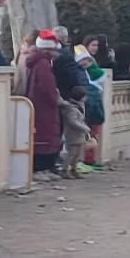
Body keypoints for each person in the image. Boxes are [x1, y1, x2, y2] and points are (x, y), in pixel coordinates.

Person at [50, 25, 91, 178]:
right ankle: (65, 168)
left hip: (58, 96)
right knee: (67, 143)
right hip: (65, 98)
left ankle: (66, 167)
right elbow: (72, 77)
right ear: (65, 39)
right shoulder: (66, 56)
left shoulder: (55, 56)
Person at [23, 32, 63, 175]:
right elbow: (46, 86)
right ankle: (41, 168)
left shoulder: (34, 61)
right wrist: (56, 99)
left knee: (40, 134)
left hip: (36, 103)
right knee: (45, 135)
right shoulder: (43, 63)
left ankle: (41, 167)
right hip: (44, 106)